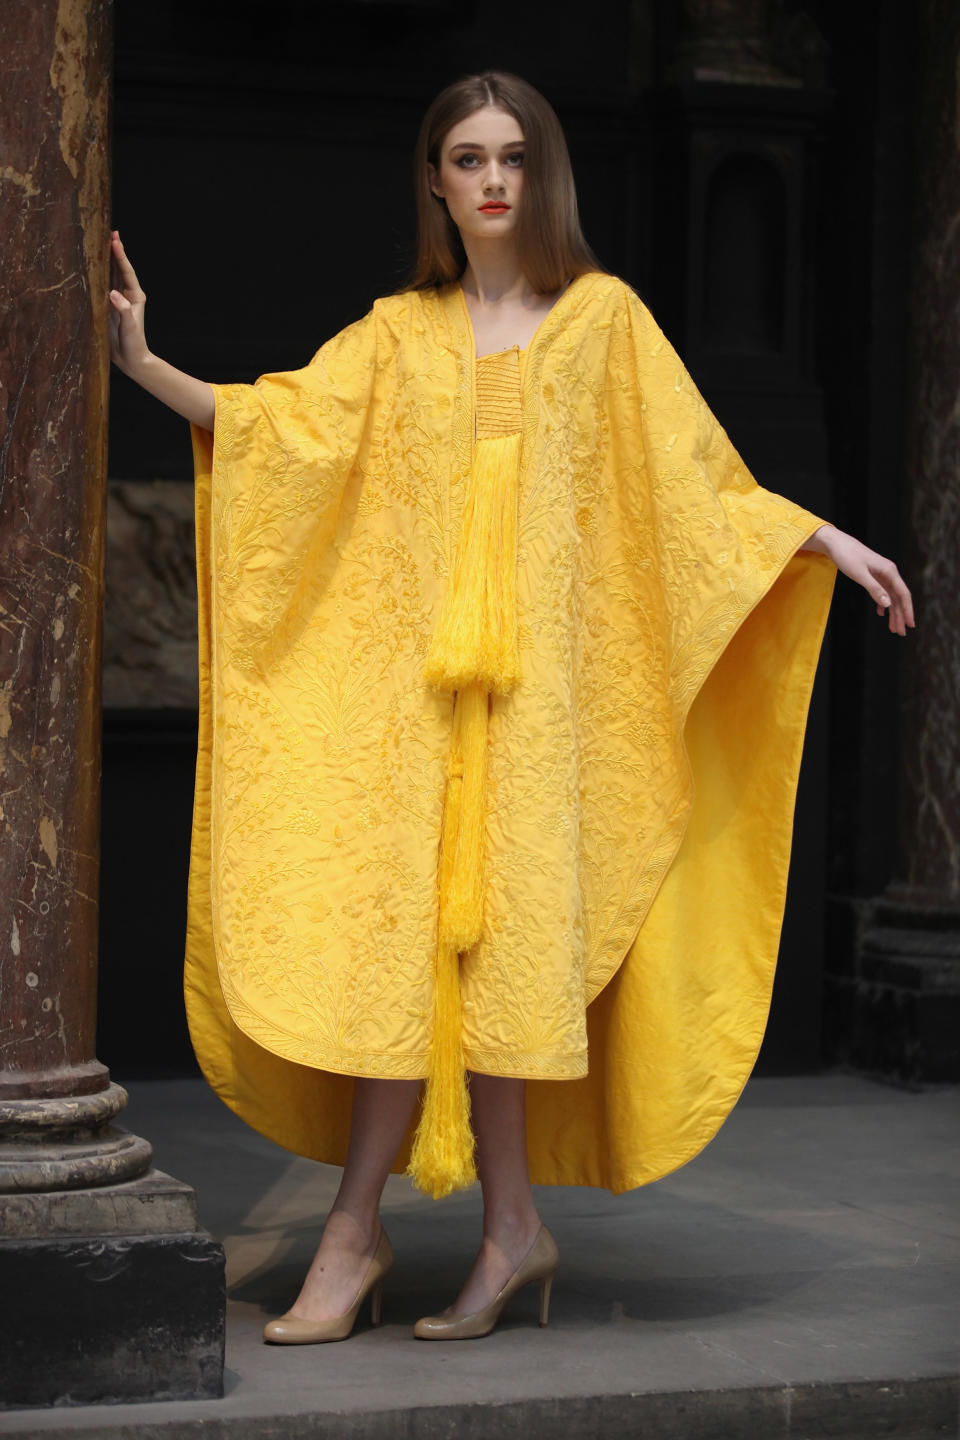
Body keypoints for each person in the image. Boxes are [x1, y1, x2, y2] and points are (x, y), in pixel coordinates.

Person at [108, 70, 914, 1346]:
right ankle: (356, 1232)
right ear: (434, 180)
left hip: (542, 720)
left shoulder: (604, 324)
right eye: (467, 157)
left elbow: (697, 484)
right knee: (396, 960)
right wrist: (145, 364)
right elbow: (282, 440)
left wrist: (823, 540)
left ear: (543, 177)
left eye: (513, 157)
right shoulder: (395, 335)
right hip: (414, 710)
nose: (491, 179)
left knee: (508, 970)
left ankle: (504, 1232)